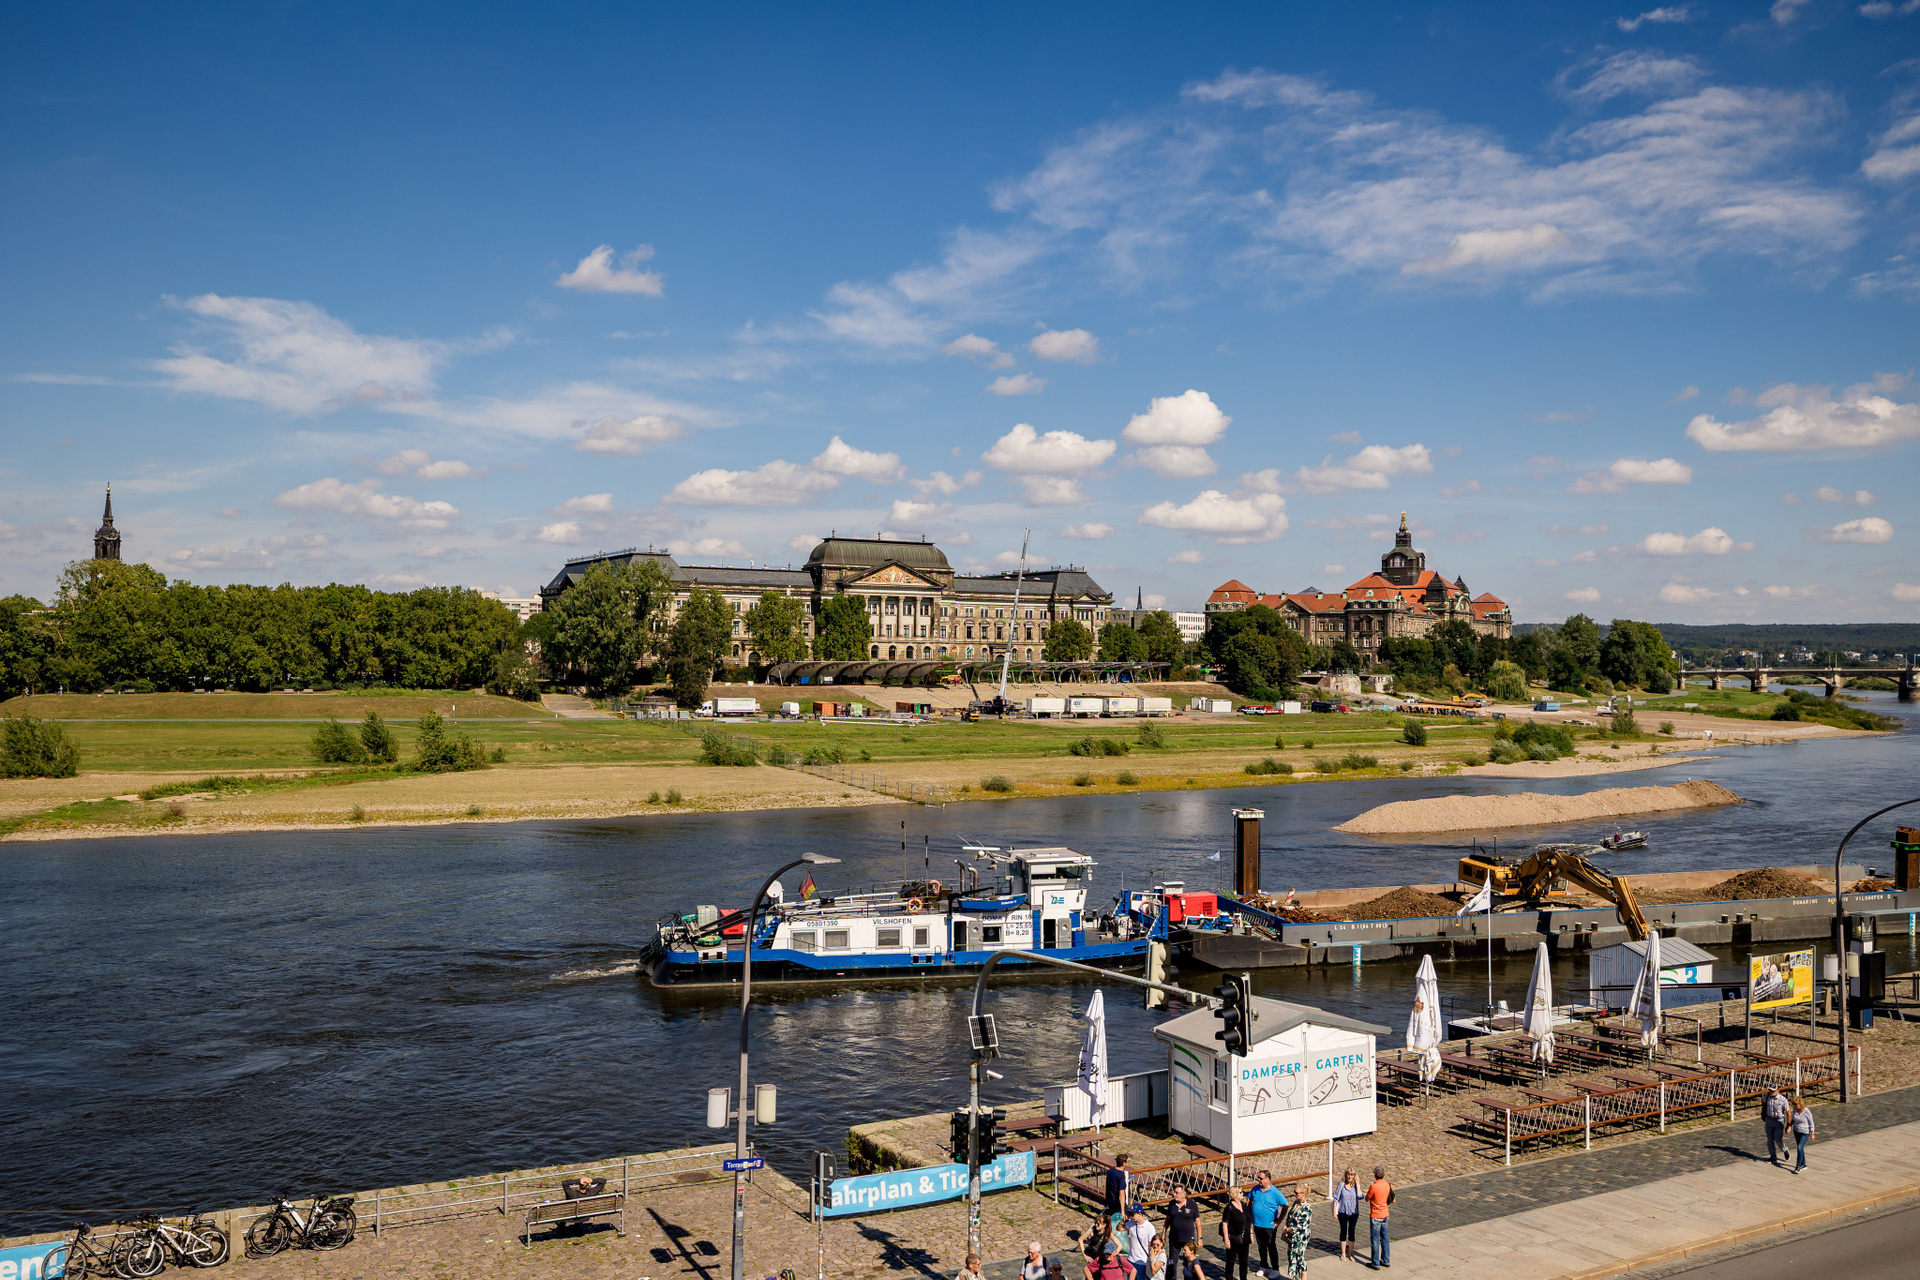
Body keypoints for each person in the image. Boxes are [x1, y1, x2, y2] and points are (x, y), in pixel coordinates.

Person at [1248, 1170, 1284, 1273]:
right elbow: (1248, 1200)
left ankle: (1275, 1268)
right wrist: (1249, 1215)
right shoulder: (1255, 1189)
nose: (1258, 1180)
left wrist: (1278, 1221)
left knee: (1271, 1246)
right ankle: (1263, 1266)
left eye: (1260, 1178)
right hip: (1257, 1223)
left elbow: (1285, 1205)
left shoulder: (1275, 1192)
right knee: (1261, 1246)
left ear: (1267, 1179)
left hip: (1269, 1225)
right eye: (1258, 1178)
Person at [1162, 1186, 1201, 1280]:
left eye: (1177, 1192)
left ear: (1184, 1194)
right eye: (1174, 1192)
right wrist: (1163, 1233)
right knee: (1172, 1263)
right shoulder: (1172, 1204)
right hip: (1174, 1238)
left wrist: (1200, 1238)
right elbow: (1168, 1220)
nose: (1174, 1194)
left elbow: (1197, 1222)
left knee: (1188, 1262)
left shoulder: (1192, 1204)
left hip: (1188, 1240)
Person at [1219, 1187, 1252, 1280]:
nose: (1242, 1194)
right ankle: (1229, 1278)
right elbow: (1225, 1224)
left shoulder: (1244, 1205)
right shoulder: (1229, 1208)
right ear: (1235, 1194)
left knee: (1244, 1260)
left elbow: (1248, 1221)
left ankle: (1243, 1278)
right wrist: (1226, 1240)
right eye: (1240, 1192)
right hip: (1233, 1237)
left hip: (1245, 1237)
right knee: (1231, 1260)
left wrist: (1251, 1234)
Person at [1282, 1186, 1314, 1280]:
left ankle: (1304, 1277)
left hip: (1301, 1236)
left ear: (1303, 1193)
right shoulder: (1296, 1203)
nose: (1294, 1194)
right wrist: (1286, 1225)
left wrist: (1287, 1230)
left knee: (1299, 1257)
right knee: (1292, 1256)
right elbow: (1290, 1216)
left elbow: (1300, 1225)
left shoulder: (1307, 1207)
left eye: (1296, 1193)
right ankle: (1294, 1277)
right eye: (1294, 1192)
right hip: (1292, 1235)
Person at [1365, 1166, 1394, 1269]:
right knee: (1385, 1238)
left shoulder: (1373, 1186)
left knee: (1375, 1240)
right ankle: (1386, 1260)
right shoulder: (1388, 1184)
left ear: (1374, 1175)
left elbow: (1367, 1198)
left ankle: (1375, 1263)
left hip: (1376, 1215)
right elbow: (1393, 1199)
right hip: (1385, 1214)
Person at [1332, 1169, 1361, 1263]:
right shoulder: (1341, 1185)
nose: (1349, 1177)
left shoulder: (1355, 1186)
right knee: (1343, 1231)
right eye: (1348, 1175)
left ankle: (1351, 1253)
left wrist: (1358, 1184)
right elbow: (1336, 1198)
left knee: (1352, 1232)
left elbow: (1360, 1196)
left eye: (1352, 1175)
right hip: (1343, 1212)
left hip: (1353, 1212)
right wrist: (1334, 1212)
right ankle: (1343, 1253)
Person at [1126, 1207, 1157, 1280]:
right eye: (1130, 1214)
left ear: (1139, 1214)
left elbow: (1152, 1247)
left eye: (1133, 1214)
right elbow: (1119, 1229)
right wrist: (1123, 1221)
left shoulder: (1150, 1227)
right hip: (1131, 1260)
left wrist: (1151, 1262)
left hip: (1142, 1262)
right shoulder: (1132, 1223)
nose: (1131, 1217)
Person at [1763, 1086, 1790, 1166]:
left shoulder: (1783, 1100)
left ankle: (1784, 1149)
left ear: (1778, 1090)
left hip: (1779, 1121)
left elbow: (1788, 1113)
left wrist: (1788, 1125)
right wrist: (1763, 1114)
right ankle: (1773, 1157)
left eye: (1773, 1091)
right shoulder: (1767, 1096)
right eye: (1770, 1090)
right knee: (1769, 1139)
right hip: (1769, 1119)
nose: (1771, 1092)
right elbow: (1764, 1104)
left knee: (1778, 1139)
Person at [1790, 1095, 1815, 1174]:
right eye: (1794, 1104)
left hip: (1805, 1132)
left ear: (1800, 1104)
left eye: (1796, 1104)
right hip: (1796, 1131)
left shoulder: (1806, 1111)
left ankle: (1798, 1165)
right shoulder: (1794, 1110)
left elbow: (1811, 1123)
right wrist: (1789, 1126)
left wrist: (1812, 1133)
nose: (1795, 1106)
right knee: (1800, 1148)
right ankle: (1804, 1164)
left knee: (1799, 1147)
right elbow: (1793, 1119)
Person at [1105, 1155, 1132, 1225]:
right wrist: (1123, 1212)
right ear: (1123, 1163)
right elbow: (1121, 1194)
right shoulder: (1121, 1176)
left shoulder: (1111, 1170)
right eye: (1127, 1162)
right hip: (1117, 1203)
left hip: (1110, 1200)